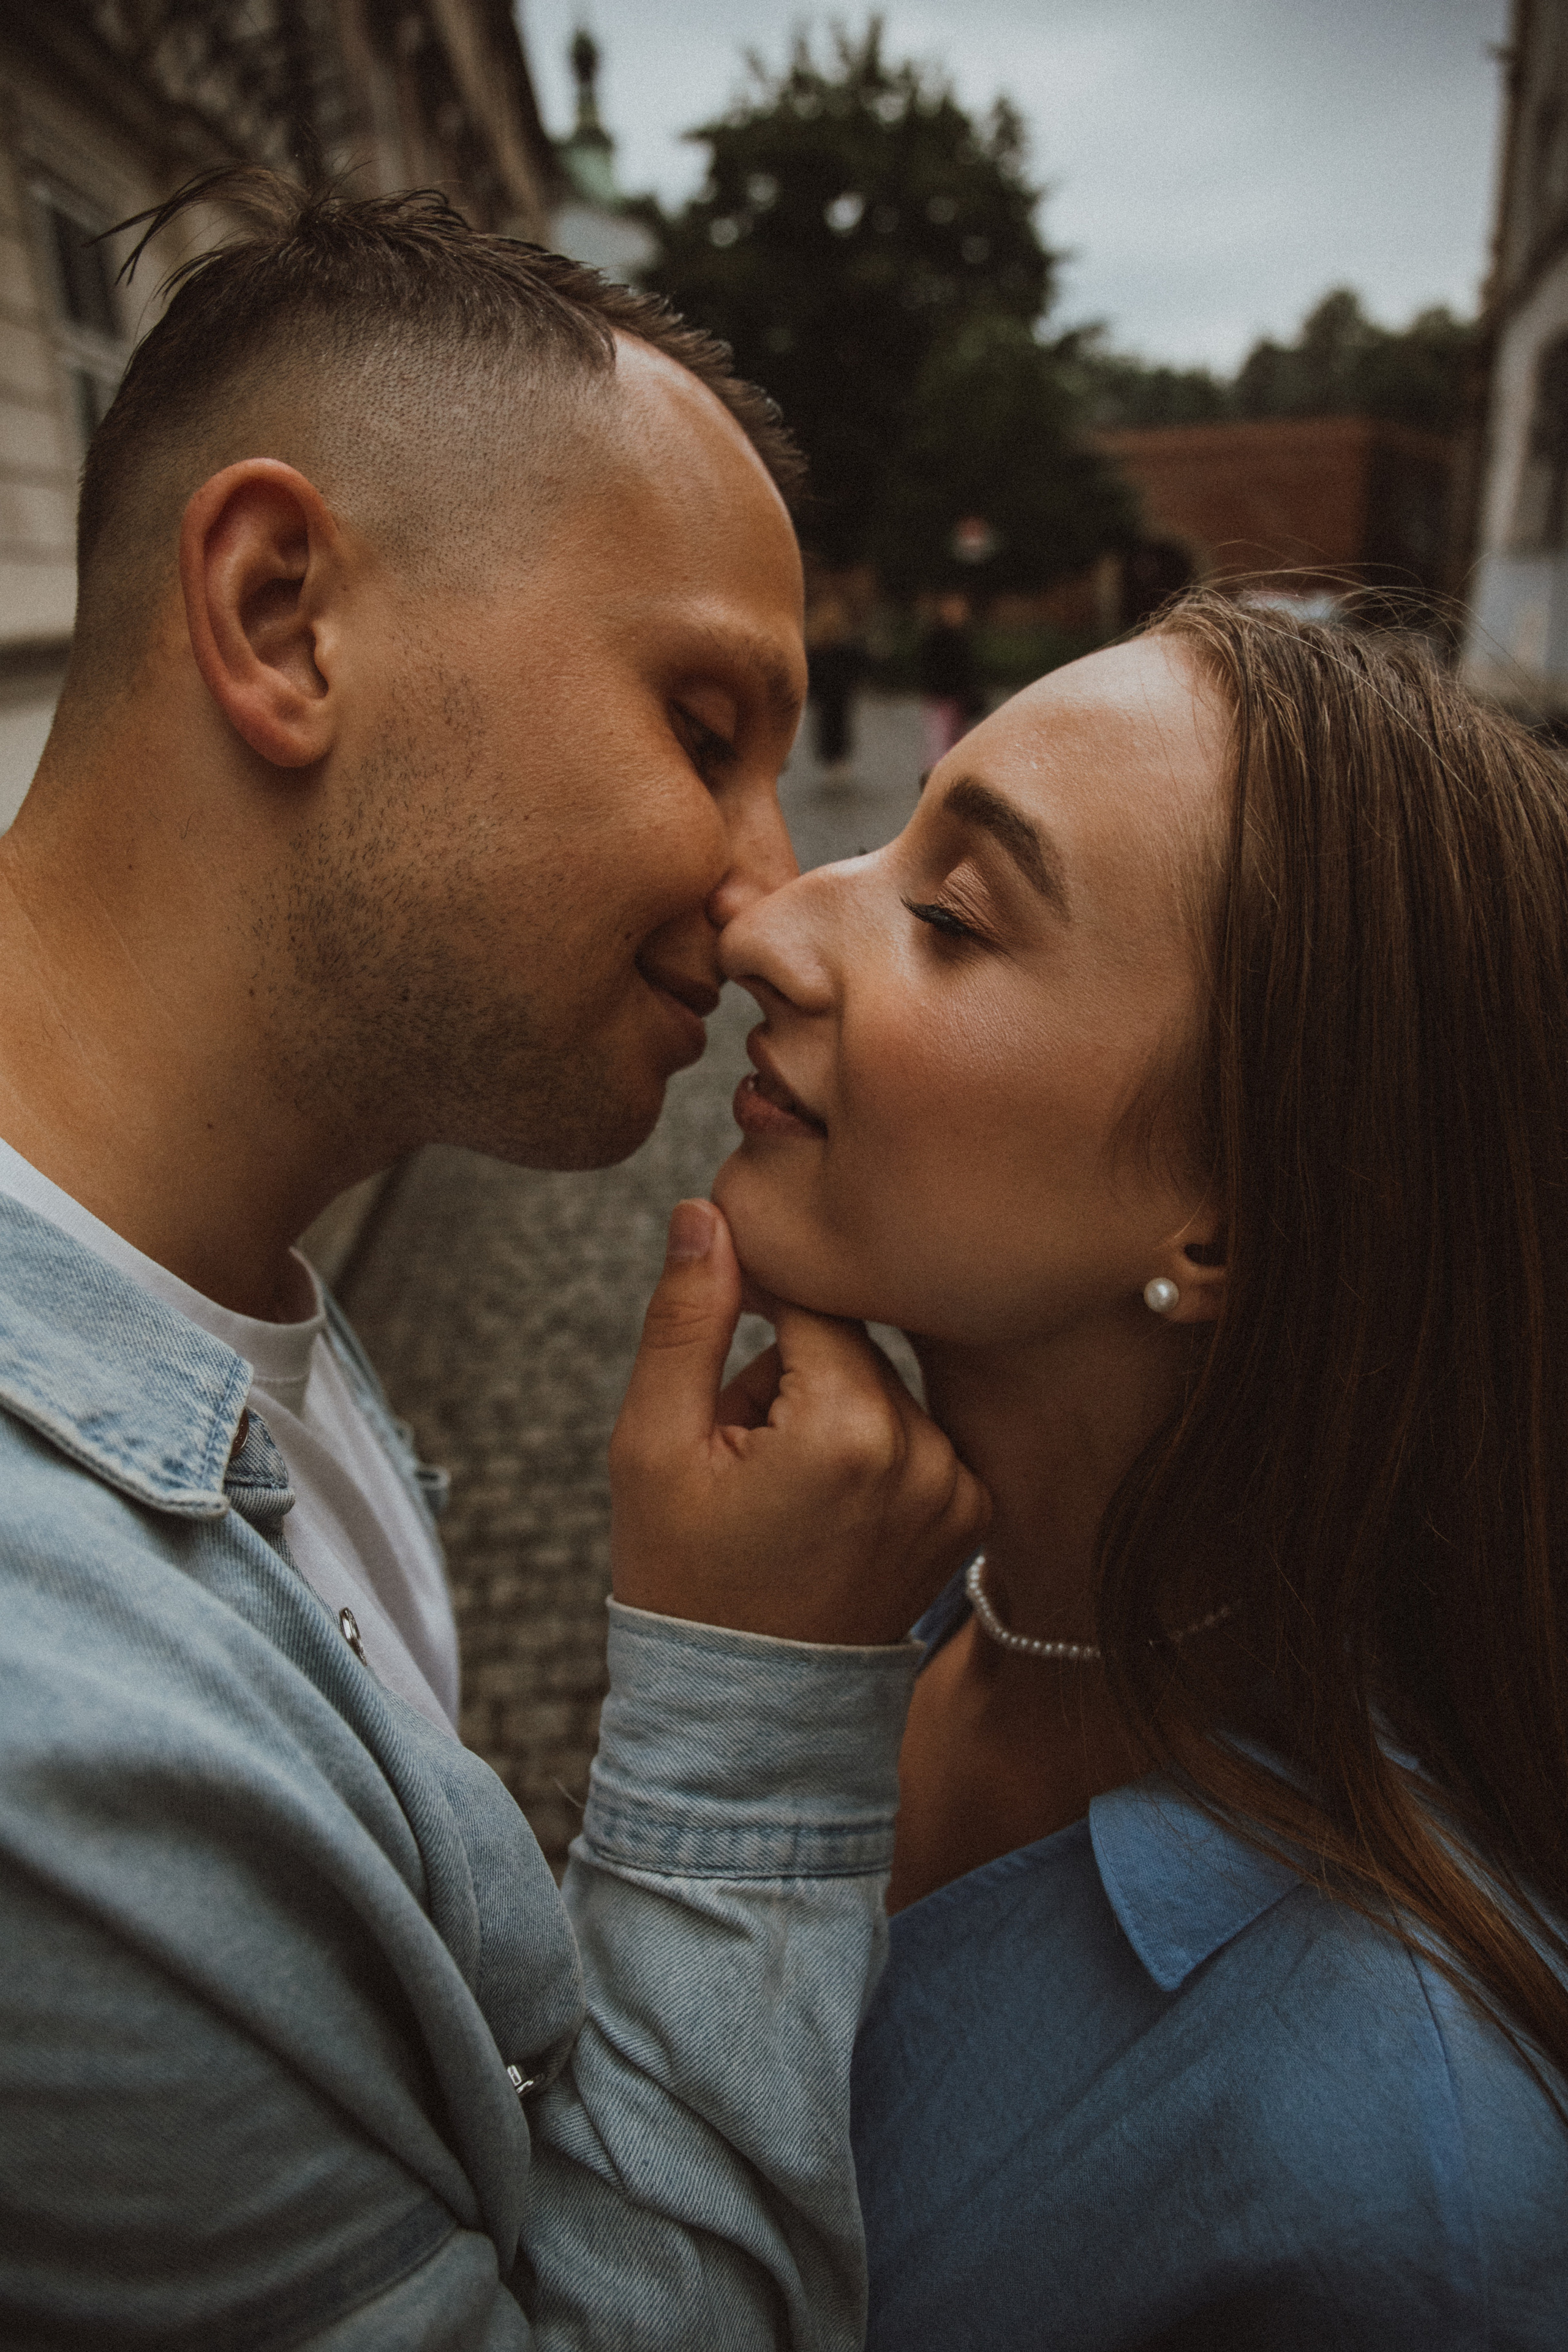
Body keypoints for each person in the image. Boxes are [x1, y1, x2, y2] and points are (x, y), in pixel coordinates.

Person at [0, 172, 987, 2347]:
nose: (767, 898)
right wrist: (747, 1725)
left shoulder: (205, 1252)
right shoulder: (47, 1741)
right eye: (702, 733)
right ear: (282, 616)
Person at [715, 592, 1568, 2347]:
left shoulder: (1395, 2188)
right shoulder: (878, 1592)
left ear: (1230, 1214)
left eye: (951, 917)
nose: (771, 923)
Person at [914, 589, 984, 771]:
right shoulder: (936, 639)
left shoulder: (962, 638)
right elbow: (930, 669)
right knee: (939, 744)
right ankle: (937, 776)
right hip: (941, 699)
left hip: (958, 700)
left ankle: (952, 776)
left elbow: (969, 671)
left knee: (957, 744)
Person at [804, 587, 865, 778]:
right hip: (834, 695)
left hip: (835, 695)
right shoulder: (823, 650)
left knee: (833, 726)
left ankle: (834, 759)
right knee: (833, 727)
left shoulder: (837, 649)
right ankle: (834, 760)